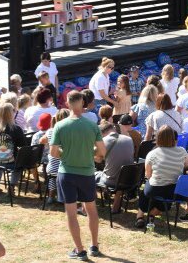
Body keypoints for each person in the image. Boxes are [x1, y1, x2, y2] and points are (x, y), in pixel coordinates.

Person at [49, 90, 106, 260]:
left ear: (67, 103)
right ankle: (94, 245)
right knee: (91, 210)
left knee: (71, 213)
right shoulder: (92, 126)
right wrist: (90, 153)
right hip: (87, 173)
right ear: (83, 103)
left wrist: (67, 154)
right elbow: (102, 151)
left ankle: (79, 249)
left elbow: (53, 152)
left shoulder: (60, 125)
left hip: (67, 173)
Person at [135, 125, 188, 228]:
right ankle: (152, 213)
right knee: (161, 195)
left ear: (158, 138)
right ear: (173, 138)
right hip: (174, 190)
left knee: (146, 191)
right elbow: (185, 166)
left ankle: (140, 217)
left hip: (156, 188)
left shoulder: (152, 154)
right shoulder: (182, 151)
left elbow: (148, 175)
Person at [95, 121, 135, 213]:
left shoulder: (103, 141)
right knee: (119, 172)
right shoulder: (129, 139)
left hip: (111, 180)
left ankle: (91, 204)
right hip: (128, 179)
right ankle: (115, 207)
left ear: (102, 133)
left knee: (90, 174)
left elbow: (98, 160)